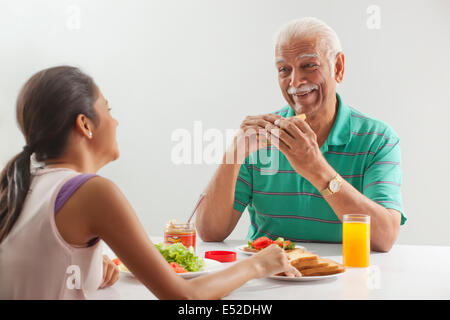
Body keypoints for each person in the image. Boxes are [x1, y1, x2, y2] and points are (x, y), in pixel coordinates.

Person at [0, 66, 300, 300]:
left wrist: (86, 270)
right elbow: (183, 296)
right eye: (108, 109)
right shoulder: (92, 192)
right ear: (85, 124)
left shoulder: (19, 186)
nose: (115, 122)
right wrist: (259, 264)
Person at [196, 17, 406, 253]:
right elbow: (210, 232)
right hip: (267, 278)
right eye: (284, 69)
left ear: (338, 67)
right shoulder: (259, 138)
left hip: (346, 276)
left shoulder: (378, 139)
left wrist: (316, 168)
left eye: (309, 66)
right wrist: (234, 153)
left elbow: (384, 237)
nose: (295, 81)